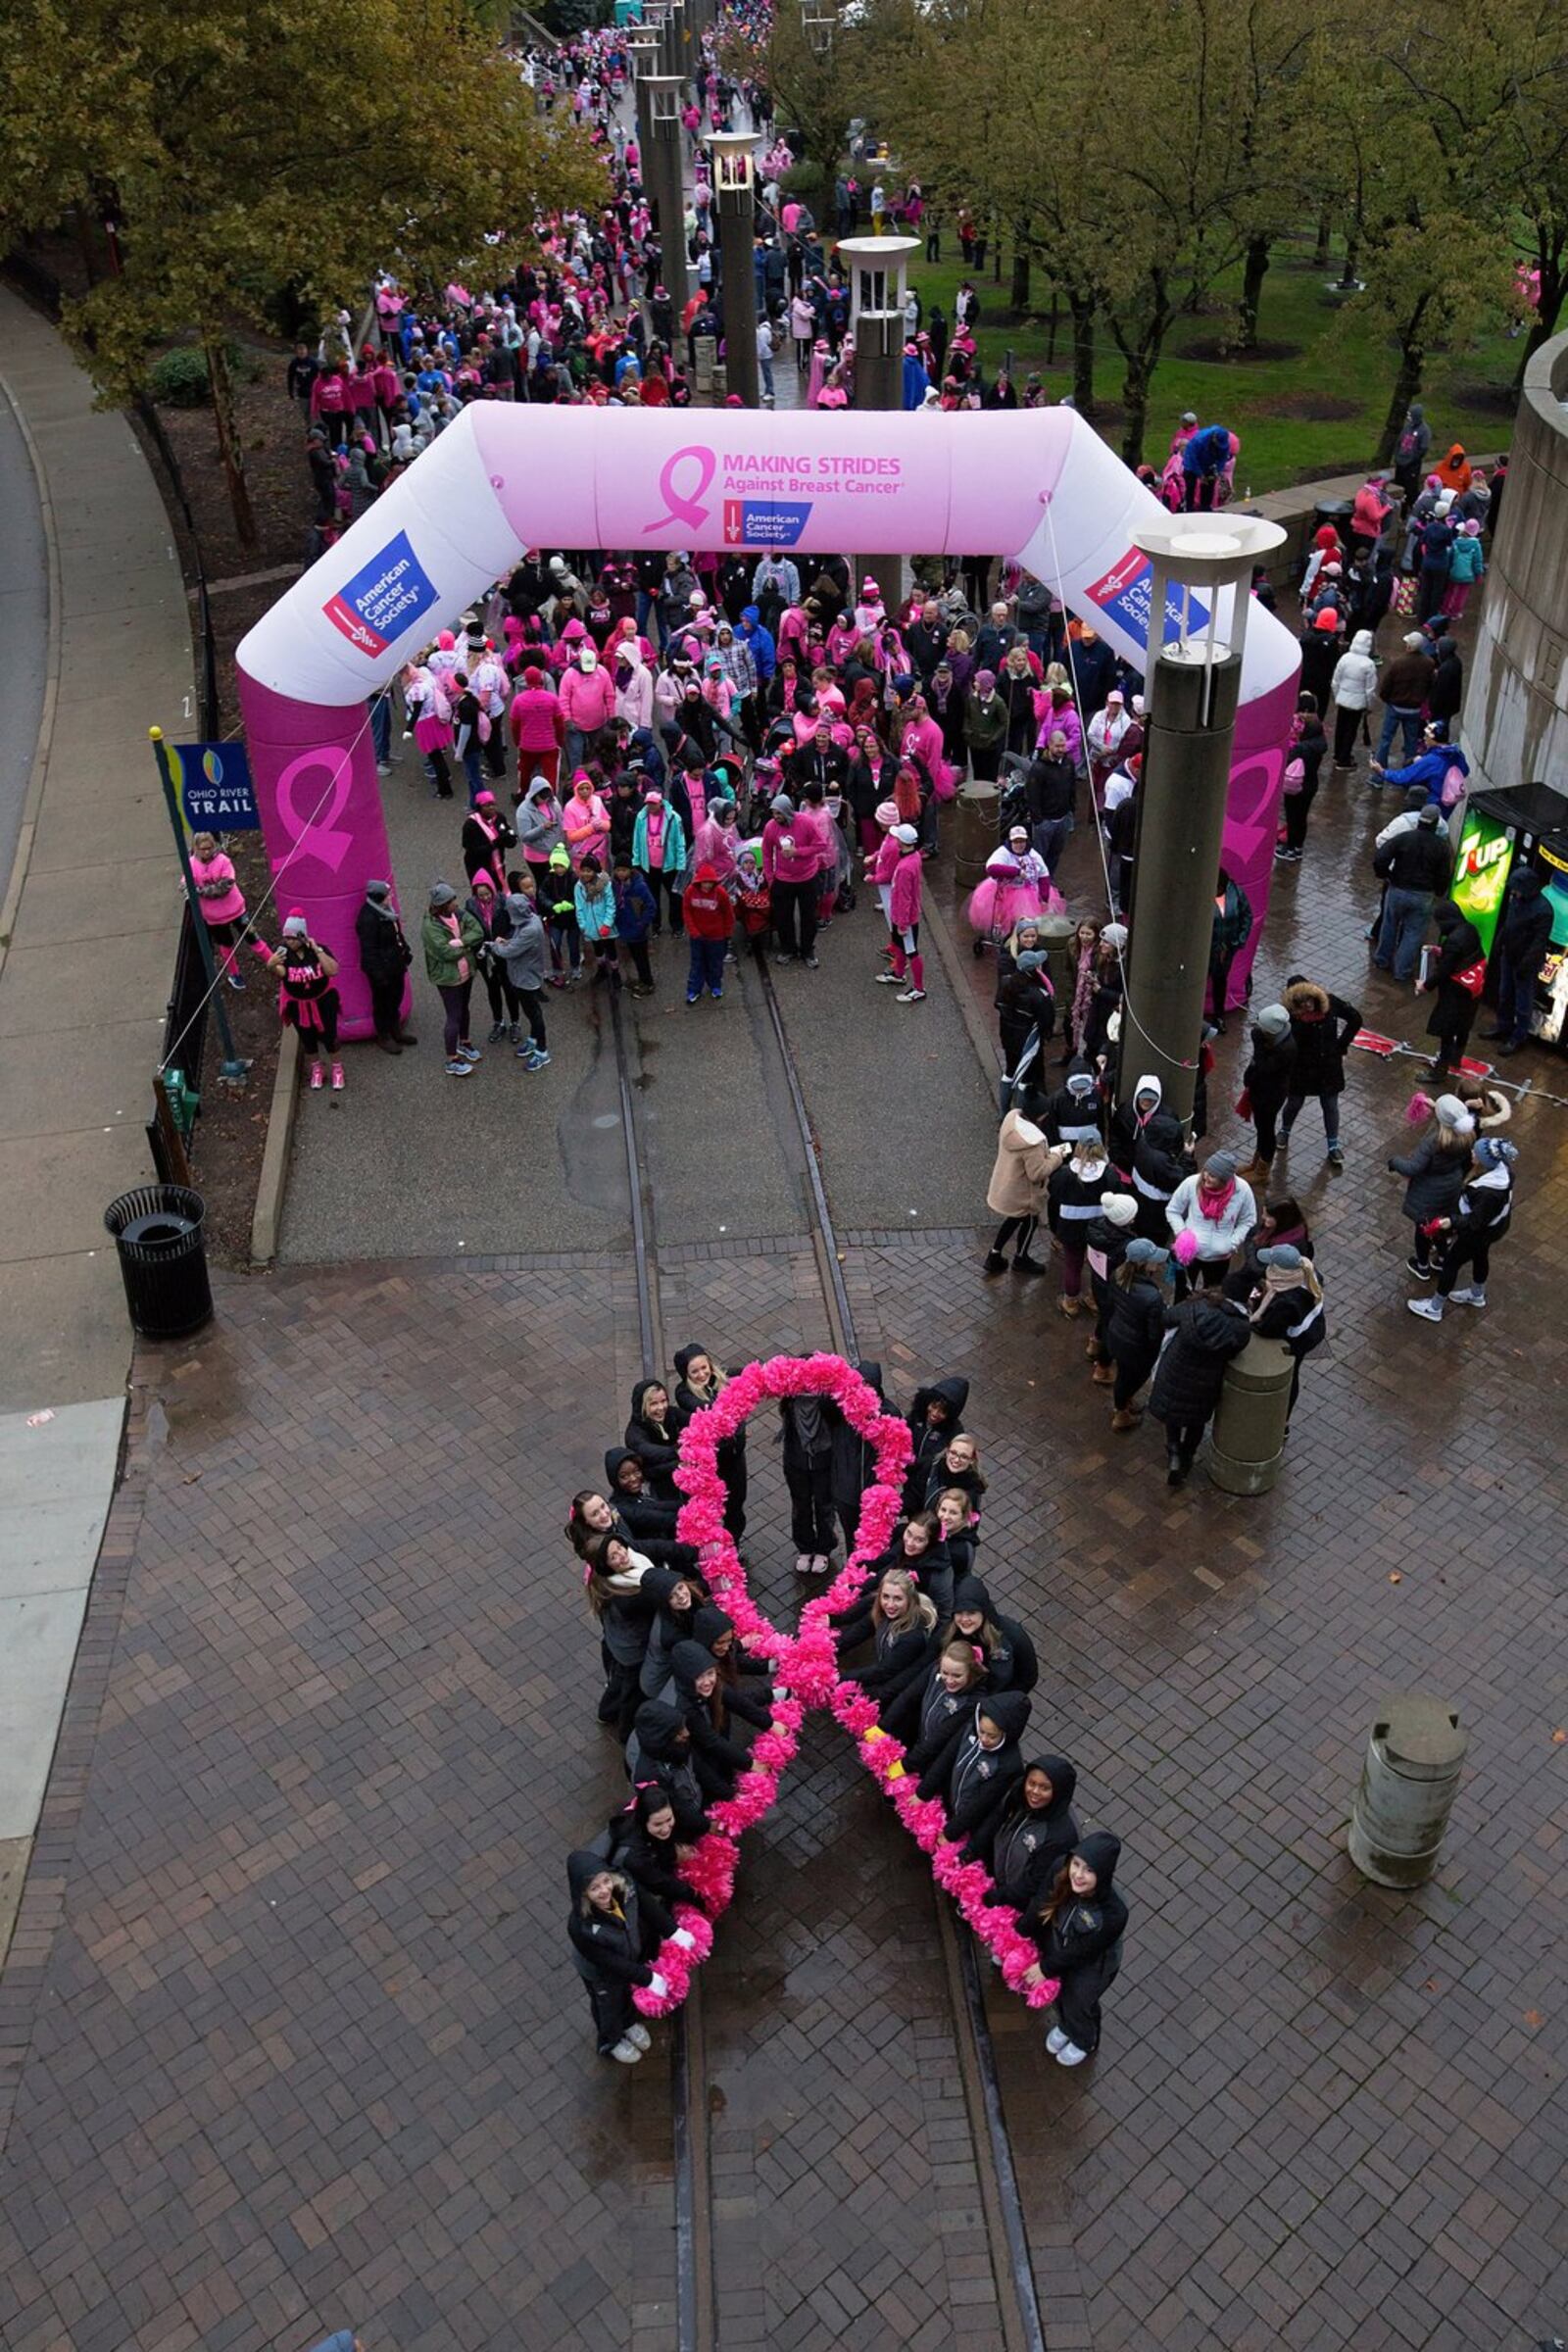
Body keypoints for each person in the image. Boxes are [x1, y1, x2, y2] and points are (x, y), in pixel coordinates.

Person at [1019, 1833, 1128, 2066]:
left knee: (1080, 2001)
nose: (1077, 1875)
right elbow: (1041, 1902)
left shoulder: (1114, 1914)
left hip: (1094, 1965)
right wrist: (1021, 1931)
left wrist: (1046, 1968)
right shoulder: (1061, 1868)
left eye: (1089, 1870)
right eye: (1076, 1864)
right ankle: (1066, 2025)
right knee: (1060, 1992)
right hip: (1060, 1946)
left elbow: (1085, 1950)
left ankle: (1084, 2039)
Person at [564, 1849, 671, 2064]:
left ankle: (629, 2023)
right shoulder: (580, 1927)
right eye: (594, 1888)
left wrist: (674, 1931)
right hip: (600, 1974)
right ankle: (611, 2040)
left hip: (628, 1959)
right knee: (607, 2006)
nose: (604, 1891)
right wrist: (647, 1978)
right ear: (583, 1893)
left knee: (624, 1993)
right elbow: (609, 1962)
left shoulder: (626, 1886)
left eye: (605, 1881)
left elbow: (649, 1907)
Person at [1150, 1285, 1251, 1483]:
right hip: (1206, 1382)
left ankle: (1174, 1455)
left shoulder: (1195, 1307)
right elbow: (1235, 1350)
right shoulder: (1240, 1327)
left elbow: (1167, 1318)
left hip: (1176, 1371)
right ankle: (1187, 1457)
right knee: (1196, 1421)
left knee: (1174, 1415)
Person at [1408, 1137, 1518, 1320]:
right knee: (1480, 1255)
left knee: (1451, 1263)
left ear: (1485, 1162)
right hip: (1493, 1230)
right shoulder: (1502, 1173)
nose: (1472, 1153)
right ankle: (1477, 1294)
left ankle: (1435, 1308)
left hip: (1478, 1234)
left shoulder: (1486, 1193)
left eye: (1476, 1153)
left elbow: (1475, 1221)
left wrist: (1451, 1221)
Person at [973, 1757, 1080, 1920]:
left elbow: (1035, 1882)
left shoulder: (1061, 1836)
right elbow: (996, 1820)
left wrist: (997, 1896)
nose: (1035, 1792)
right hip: (997, 1880)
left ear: (1058, 1791)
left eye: (1044, 1788)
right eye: (1031, 1783)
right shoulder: (1018, 1796)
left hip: (1014, 1903)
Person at [1389, 1091, 1476, 1278]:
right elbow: (1449, 1114)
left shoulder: (1433, 1142)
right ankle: (1443, 1258)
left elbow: (1413, 1168)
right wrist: (1433, 1104)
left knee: (1424, 1230)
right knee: (1441, 1226)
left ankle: (1422, 1266)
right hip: (1451, 1187)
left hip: (1428, 1193)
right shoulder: (1466, 1136)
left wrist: (1394, 1162)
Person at [1278, 976, 1359, 1170]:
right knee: (1294, 1102)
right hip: (1301, 1068)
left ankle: (1333, 1146)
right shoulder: (1289, 1016)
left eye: (1308, 1000)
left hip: (1328, 1067)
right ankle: (1284, 1131)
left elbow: (1355, 1018)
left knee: (1330, 1105)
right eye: (1300, 1002)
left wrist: (1341, 1045)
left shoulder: (1330, 1003)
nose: (1306, 1006)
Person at [673, 1345, 747, 1539]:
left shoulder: (723, 1377)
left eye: (704, 1367)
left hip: (735, 1458)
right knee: (713, 1507)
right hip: (711, 1464)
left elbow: (751, 1373)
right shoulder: (683, 1393)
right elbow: (709, 1410)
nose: (701, 1374)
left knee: (736, 1503)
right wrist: (735, 1397)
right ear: (686, 1375)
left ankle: (734, 1541)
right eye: (694, 1371)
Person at [983, 1103, 1065, 1276]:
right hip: (1023, 1194)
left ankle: (994, 1255)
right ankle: (1021, 1258)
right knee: (1030, 1221)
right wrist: (1056, 1157)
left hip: (1007, 1186)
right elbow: (1037, 1173)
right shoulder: (1032, 1144)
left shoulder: (1011, 1122)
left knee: (1013, 1219)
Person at [1246, 1244, 1326, 1417]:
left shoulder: (1286, 1303)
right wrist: (1256, 1295)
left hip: (1298, 1340)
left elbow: (1267, 1329)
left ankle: (1282, 1419)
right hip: (1312, 1328)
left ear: (1279, 1272)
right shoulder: (1306, 1271)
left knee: (1291, 1373)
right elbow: (1260, 1289)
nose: (1267, 1268)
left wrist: (1250, 1319)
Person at [268, 911, 344, 1092]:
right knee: (307, 1037)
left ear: (302, 936)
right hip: (298, 1005)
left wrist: (317, 950)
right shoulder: (284, 953)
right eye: (286, 937)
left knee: (330, 1036)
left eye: (292, 938)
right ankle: (316, 1068)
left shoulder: (318, 950)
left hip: (323, 1001)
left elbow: (332, 970)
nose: (288, 941)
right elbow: (283, 974)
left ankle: (337, 1068)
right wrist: (271, 965)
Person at [1374, 806, 1450, 980]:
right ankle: (1402, 971)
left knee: (1389, 924)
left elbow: (1381, 857)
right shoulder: (1441, 847)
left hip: (1398, 889)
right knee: (1413, 932)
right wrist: (1439, 891)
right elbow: (1444, 873)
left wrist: (1386, 875)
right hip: (1423, 895)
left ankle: (1382, 959)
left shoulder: (1404, 838)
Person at [1484, 867, 1553, 1054]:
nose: (1513, 892)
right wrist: (1499, 945)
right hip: (1510, 955)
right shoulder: (1517, 900)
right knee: (1505, 994)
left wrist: (1525, 965)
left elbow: (1539, 942)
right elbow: (1509, 924)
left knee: (1523, 1003)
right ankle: (1503, 1026)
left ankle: (1518, 1037)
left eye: (1516, 888)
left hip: (1526, 963)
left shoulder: (1544, 910)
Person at [1102, 1238, 1167, 1433]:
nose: (1158, 1262)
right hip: (1138, 1348)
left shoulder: (1118, 1276)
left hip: (1117, 1337)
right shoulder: (1152, 1297)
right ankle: (1121, 1412)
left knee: (1124, 1375)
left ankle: (1124, 1402)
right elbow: (1154, 1332)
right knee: (1132, 1377)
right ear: (1143, 1264)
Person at [1165, 1152, 1257, 1290]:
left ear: (1225, 1180)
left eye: (1212, 1176)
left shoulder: (1242, 1190)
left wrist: (1232, 1243)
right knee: (1184, 1288)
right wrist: (1182, 1234)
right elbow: (1172, 1210)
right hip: (1190, 1254)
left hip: (1220, 1258)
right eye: (1205, 1171)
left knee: (1212, 1292)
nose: (1205, 1177)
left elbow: (1248, 1220)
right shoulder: (1191, 1183)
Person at [1423, 899, 1486, 1077]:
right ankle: (1456, 1058)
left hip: (1455, 992)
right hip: (1472, 989)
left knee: (1447, 1030)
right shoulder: (1469, 929)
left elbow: (1444, 970)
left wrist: (1425, 986)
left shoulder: (1453, 940)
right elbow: (1462, 956)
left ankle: (1439, 1072)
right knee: (1464, 1026)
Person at [491, 887, 552, 1067]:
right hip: (523, 973)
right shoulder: (531, 920)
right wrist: (507, 942)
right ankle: (533, 1040)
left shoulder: (529, 929)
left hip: (526, 977)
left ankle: (542, 1050)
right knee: (530, 1012)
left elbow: (510, 952)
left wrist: (495, 946)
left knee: (534, 1014)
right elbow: (516, 943)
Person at [781, 1389, 838, 1577]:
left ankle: (823, 1548)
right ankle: (805, 1547)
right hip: (796, 1464)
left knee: (825, 1507)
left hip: (825, 1464)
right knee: (800, 1505)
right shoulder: (790, 1400)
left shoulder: (828, 1401)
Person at [1237, 1004, 1296, 1186]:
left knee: (1266, 1131)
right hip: (1261, 1090)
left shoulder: (1286, 1049)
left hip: (1270, 1096)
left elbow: (1263, 1068)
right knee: (1261, 1129)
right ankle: (1256, 1163)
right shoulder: (1275, 1040)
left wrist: (1258, 1047)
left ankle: (1262, 1170)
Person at [355, 879, 415, 1054]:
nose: (392, 897)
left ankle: (395, 1030)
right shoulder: (368, 918)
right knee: (382, 1003)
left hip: (395, 964)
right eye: (389, 895)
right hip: (382, 969)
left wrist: (405, 949)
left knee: (396, 997)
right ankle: (384, 1035)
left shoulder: (387, 912)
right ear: (380, 897)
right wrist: (378, 974)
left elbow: (396, 933)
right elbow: (369, 949)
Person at [187, 832, 247, 989]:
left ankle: (272, 962)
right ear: (196, 849)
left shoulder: (223, 861)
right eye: (202, 849)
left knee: (253, 939)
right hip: (214, 917)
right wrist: (199, 889)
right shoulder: (192, 864)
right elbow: (185, 885)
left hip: (236, 910)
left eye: (209, 848)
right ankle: (234, 974)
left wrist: (201, 891)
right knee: (226, 945)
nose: (206, 851)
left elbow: (225, 885)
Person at [1374, 634, 1436, 770]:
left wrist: (1387, 699)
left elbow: (1386, 686)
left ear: (1408, 646)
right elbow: (1431, 685)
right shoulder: (1429, 663)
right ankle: (1409, 773)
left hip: (1395, 707)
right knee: (1411, 743)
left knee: (1385, 740)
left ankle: (1378, 775)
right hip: (1414, 709)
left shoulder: (1398, 663)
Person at [681, 858, 733, 1005]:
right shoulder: (690, 891)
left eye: (710, 882)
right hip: (697, 937)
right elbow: (687, 912)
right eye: (705, 882)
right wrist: (693, 930)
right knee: (697, 964)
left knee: (715, 964)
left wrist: (727, 933)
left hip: (717, 937)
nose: (707, 885)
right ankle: (693, 990)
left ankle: (715, 986)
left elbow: (728, 914)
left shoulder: (721, 893)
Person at [1207, 867, 1252, 1030]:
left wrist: (1238, 942)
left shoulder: (1236, 893)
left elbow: (1247, 916)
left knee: (1220, 983)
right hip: (1205, 951)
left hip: (1225, 951)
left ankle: (1219, 1017)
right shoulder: (1201, 895)